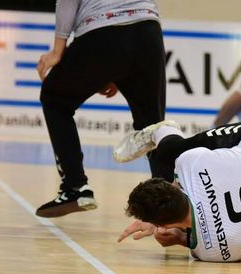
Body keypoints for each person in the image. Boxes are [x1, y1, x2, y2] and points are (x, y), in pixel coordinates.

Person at [114, 118, 241, 262]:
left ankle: (159, 130)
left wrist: (179, 239)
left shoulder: (215, 253)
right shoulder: (190, 163)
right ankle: (164, 132)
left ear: (164, 224)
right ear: (172, 185)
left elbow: (216, 241)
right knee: (173, 152)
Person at [35, 0, 166, 218]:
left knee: (54, 99)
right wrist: (115, 70)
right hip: (148, 29)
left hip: (102, 28)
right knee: (154, 126)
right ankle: (171, 211)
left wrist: (58, 49)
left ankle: (75, 187)